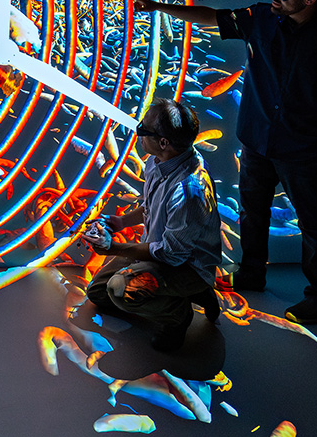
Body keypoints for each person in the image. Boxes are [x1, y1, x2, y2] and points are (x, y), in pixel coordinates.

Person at [129, 0, 317, 325]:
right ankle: (251, 274)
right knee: (251, 209)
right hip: (257, 138)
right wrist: (160, 7)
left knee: (311, 221)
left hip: (301, 147)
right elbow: (213, 17)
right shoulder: (260, 17)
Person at [80, 98, 222, 352]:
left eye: (143, 130)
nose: (137, 133)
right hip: (157, 251)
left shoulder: (189, 191)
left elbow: (170, 253)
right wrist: (121, 221)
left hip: (184, 266)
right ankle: (192, 294)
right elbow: (152, 203)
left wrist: (115, 248)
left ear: (164, 142)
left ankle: (179, 315)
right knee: (98, 294)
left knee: (120, 290)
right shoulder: (159, 160)